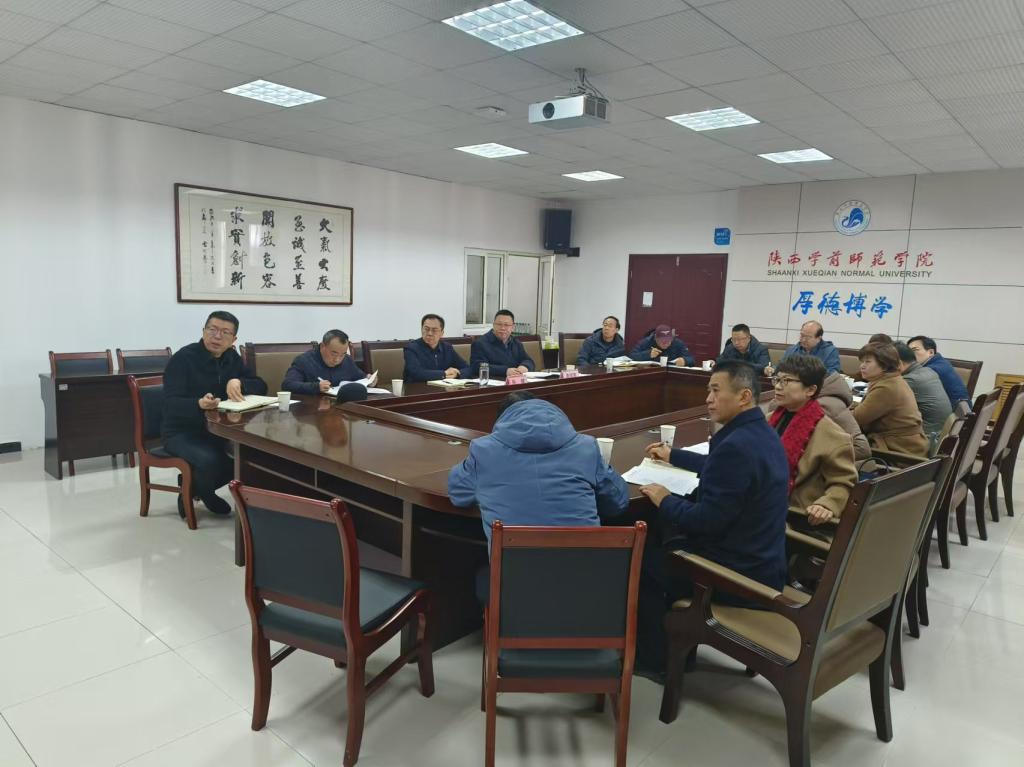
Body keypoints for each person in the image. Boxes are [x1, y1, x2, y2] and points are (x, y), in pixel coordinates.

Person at [634, 361, 789, 673]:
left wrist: (665, 499)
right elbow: (719, 467)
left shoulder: (737, 446)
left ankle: (659, 661)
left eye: (716, 391)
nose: (708, 399)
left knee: (642, 563)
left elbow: (705, 521)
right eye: (708, 390)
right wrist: (673, 455)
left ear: (744, 396)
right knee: (662, 536)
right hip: (764, 561)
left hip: (736, 575)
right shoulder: (760, 432)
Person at [162, 311, 267, 518]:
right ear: (203, 331)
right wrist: (198, 404)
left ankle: (192, 487)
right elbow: (170, 403)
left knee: (245, 460)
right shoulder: (183, 358)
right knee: (212, 460)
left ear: (233, 339)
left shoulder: (232, 358)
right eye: (212, 329)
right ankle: (202, 491)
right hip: (181, 432)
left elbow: (261, 385)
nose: (217, 336)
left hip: (218, 430)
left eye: (225, 332)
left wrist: (239, 382)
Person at [768, 356, 857, 530]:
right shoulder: (769, 420)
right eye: (777, 379)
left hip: (796, 517)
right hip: (761, 505)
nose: (778, 386)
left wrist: (827, 504)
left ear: (810, 390)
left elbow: (843, 483)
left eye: (786, 381)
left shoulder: (832, 435)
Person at [853, 342, 929, 457]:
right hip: (905, 445)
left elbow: (856, 418)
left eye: (867, 362)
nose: (862, 366)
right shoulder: (891, 380)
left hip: (899, 452)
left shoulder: (886, 387)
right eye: (862, 362)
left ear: (884, 365)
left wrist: (837, 412)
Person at [895, 341, 953, 452]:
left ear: (898, 363)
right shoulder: (928, 371)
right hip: (939, 438)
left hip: (923, 444)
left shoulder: (909, 380)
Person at [282, 329, 367, 402]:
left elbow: (361, 377)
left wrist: (369, 379)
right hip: (312, 409)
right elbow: (288, 385)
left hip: (343, 407)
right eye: (334, 353)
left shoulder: (347, 360)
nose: (337, 359)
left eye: (342, 354)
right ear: (323, 346)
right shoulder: (304, 361)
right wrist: (316, 387)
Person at [817, 371, 872, 461]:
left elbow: (861, 417)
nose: (863, 365)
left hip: (884, 447)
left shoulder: (824, 405)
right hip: (866, 442)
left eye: (868, 362)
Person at [906, 335, 971, 408]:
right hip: (959, 410)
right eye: (908, 351)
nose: (909, 355)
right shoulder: (940, 362)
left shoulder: (932, 370)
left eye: (914, 350)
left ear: (931, 352)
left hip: (955, 413)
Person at [404, 313, 470, 382]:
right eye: (426, 329)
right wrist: (444, 374)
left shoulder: (447, 348)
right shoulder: (411, 348)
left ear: (442, 333)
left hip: (444, 387)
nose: (429, 333)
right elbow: (415, 373)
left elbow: (467, 368)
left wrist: (457, 374)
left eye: (434, 330)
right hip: (418, 388)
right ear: (421, 329)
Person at [470, 309, 535, 377]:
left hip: (515, 380)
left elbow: (528, 360)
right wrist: (505, 371)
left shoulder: (516, 343)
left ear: (513, 327)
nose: (503, 328)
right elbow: (477, 366)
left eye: (506, 325)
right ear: (493, 325)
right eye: (499, 324)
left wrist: (524, 366)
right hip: (493, 381)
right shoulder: (480, 343)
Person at [629, 324, 695, 366]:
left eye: (668, 341)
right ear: (655, 338)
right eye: (662, 341)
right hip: (651, 372)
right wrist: (648, 354)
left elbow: (691, 359)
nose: (665, 343)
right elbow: (632, 356)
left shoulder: (678, 343)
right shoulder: (646, 342)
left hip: (671, 373)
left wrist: (685, 361)